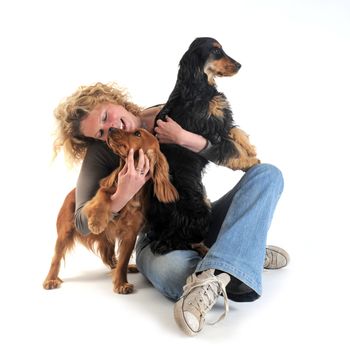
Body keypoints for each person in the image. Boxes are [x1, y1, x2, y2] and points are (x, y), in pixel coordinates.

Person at [54, 82, 289, 336]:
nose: (110, 128)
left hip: (199, 219)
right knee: (175, 274)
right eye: (100, 132)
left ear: (109, 98)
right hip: (156, 241)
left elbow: (237, 155)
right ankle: (241, 250)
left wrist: (185, 139)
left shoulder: (174, 113)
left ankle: (233, 254)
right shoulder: (103, 150)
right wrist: (123, 194)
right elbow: (80, 221)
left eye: (104, 116)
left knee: (268, 175)